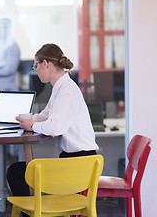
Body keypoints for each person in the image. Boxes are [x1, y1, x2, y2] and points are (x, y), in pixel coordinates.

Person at [7, 43, 99, 197]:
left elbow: (55, 128)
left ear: (45, 63)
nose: (35, 71)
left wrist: (34, 125)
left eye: (35, 65)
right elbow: (46, 115)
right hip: (74, 160)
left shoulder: (67, 91)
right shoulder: (61, 87)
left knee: (15, 172)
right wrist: (26, 121)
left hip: (78, 164)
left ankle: (34, 214)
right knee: (20, 170)